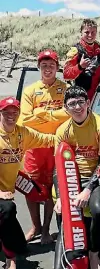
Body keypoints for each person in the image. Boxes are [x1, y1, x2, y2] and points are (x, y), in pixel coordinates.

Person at [36, 86, 100, 269]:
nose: (77, 107)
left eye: (80, 102)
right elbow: (57, 168)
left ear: (88, 102)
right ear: (66, 108)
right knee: (64, 217)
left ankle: (94, 253)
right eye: (72, 104)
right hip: (71, 178)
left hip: (97, 178)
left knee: (98, 209)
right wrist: (61, 195)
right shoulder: (62, 130)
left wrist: (88, 190)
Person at [0, 97, 55, 269]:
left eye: (14, 112)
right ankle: (10, 261)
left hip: (7, 191)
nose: (11, 116)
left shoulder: (22, 133)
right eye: (6, 112)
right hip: (1, 195)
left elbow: (46, 139)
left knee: (22, 246)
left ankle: (10, 245)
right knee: (7, 210)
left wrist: (67, 140)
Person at [18, 49, 70, 244]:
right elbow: (25, 120)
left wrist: (41, 113)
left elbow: (69, 113)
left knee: (50, 189)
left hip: (57, 146)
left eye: (52, 65)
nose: (48, 69)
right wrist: (54, 114)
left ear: (57, 68)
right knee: (30, 188)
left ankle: (47, 229)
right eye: (44, 65)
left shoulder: (65, 89)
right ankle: (35, 226)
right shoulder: (30, 91)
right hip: (34, 147)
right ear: (39, 67)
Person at [63, 18, 100, 100]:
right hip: (83, 97)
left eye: (93, 32)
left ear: (96, 33)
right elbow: (66, 75)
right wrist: (80, 67)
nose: (90, 35)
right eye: (87, 32)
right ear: (81, 33)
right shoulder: (75, 51)